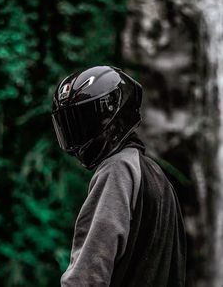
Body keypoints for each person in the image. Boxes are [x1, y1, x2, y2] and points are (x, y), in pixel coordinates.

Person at [51, 65, 186, 287]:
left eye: (83, 122)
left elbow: (88, 274)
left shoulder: (118, 170)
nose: (77, 135)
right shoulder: (159, 178)